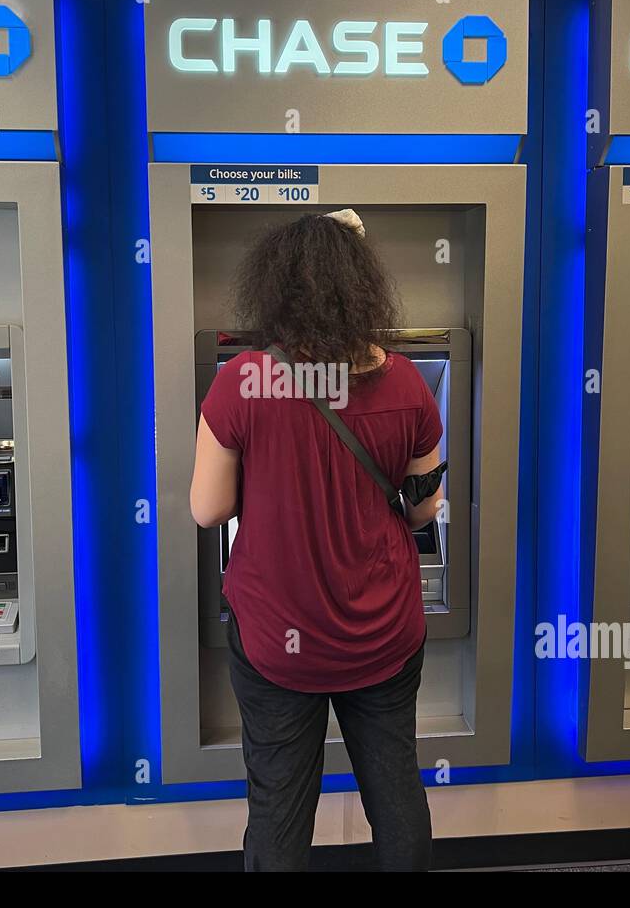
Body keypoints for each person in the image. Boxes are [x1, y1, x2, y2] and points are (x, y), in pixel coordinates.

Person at [190, 209, 445, 872]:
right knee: (395, 792)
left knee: (278, 806)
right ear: (363, 289)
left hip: (281, 639)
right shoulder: (411, 384)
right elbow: (424, 510)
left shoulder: (243, 381)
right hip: (383, 634)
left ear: (274, 290)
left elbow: (208, 507)